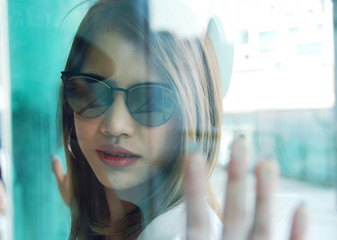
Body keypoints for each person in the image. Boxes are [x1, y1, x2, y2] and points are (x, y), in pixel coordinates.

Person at [52, 0, 308, 239]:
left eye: (151, 101)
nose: (116, 125)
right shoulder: (116, 213)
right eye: (93, 91)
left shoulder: (174, 231)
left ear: (189, 119)